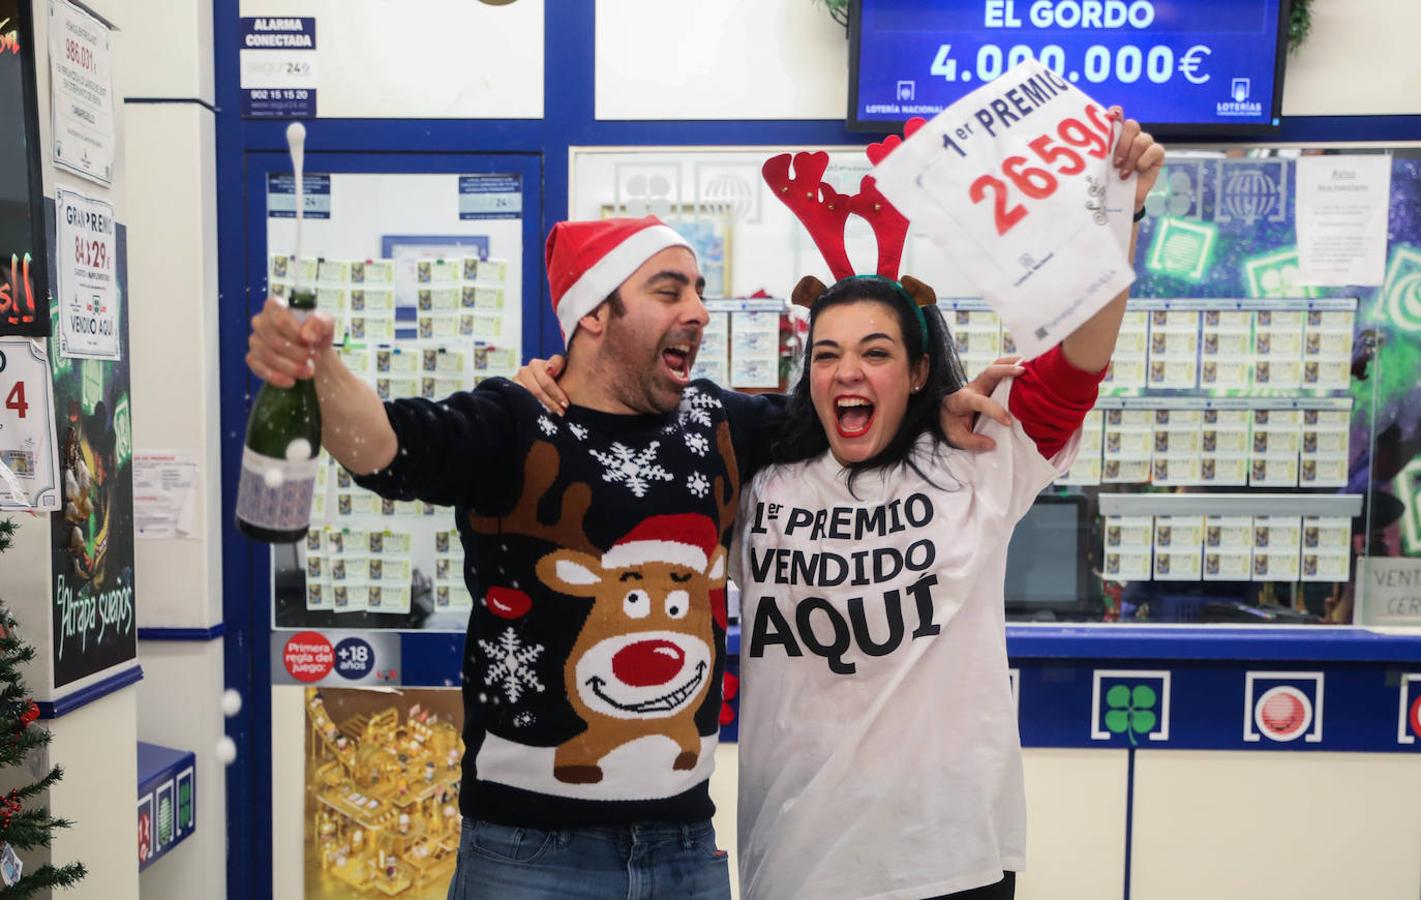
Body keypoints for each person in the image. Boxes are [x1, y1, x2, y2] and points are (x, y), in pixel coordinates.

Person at [246, 215, 1007, 899]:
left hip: (684, 848)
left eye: (698, 291)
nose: (699, 312)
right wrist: (320, 370)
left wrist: (934, 408)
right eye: (668, 290)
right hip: (528, 856)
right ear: (594, 315)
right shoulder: (513, 419)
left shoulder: (721, 422)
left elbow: (844, 419)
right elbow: (388, 449)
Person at [725, 116, 1163, 900]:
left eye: (875, 352)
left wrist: (1116, 210)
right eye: (825, 354)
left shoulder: (973, 460)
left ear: (920, 367)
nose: (845, 371)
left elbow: (1074, 367)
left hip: (949, 862)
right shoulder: (761, 481)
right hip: (792, 864)